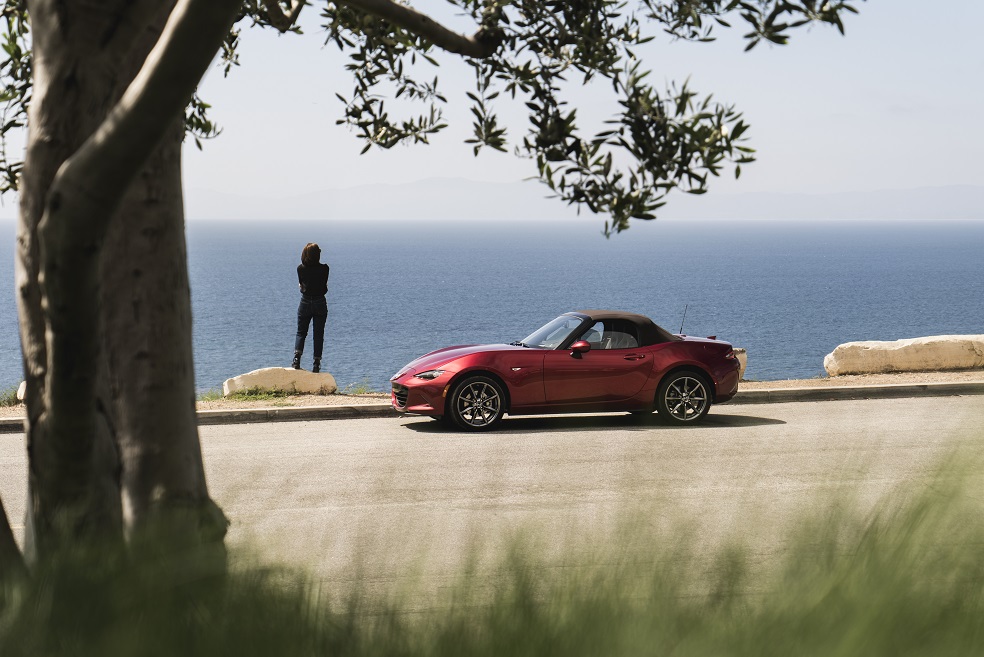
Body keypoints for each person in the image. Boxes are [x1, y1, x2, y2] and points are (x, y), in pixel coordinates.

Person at [292, 242, 329, 373]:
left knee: (301, 332)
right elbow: (324, 286)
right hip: (320, 302)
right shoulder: (325, 268)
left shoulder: (300, 269)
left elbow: (301, 285)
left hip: (305, 302)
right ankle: (316, 364)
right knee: (318, 334)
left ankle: (297, 358)